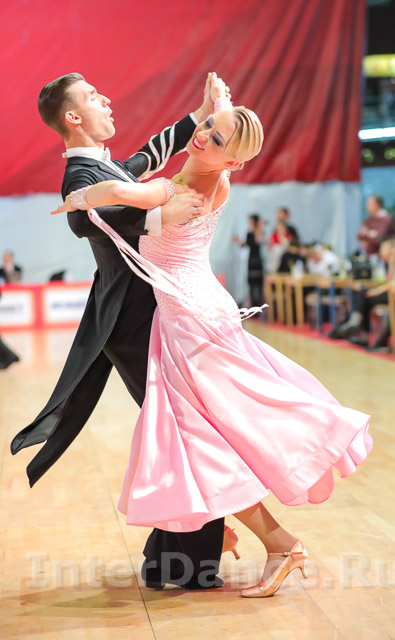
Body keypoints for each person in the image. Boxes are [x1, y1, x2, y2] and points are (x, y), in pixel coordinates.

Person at [52, 92, 372, 598]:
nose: (202, 137)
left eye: (216, 138)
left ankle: (277, 544)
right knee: (209, 437)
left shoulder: (176, 191)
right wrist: (210, 113)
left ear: (233, 161)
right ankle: (230, 533)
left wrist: (76, 200)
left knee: (209, 439)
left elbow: (119, 190)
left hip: (191, 324)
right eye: (206, 128)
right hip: (198, 313)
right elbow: (144, 172)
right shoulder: (213, 179)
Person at [10, 71, 228, 591]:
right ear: (73, 117)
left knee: (185, 430)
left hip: (142, 312)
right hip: (131, 321)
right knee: (193, 429)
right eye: (92, 96)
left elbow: (149, 155)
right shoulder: (79, 173)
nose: (106, 98)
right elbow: (84, 217)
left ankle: (171, 559)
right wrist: (158, 217)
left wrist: (200, 116)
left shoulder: (102, 164)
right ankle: (190, 561)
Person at [234, 214, 265, 308]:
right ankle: (253, 306)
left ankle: (259, 306)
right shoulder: (249, 234)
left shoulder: (260, 232)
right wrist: (238, 241)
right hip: (251, 261)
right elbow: (245, 245)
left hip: (258, 261)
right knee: (251, 284)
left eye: (251, 222)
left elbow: (259, 241)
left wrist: (259, 228)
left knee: (259, 285)